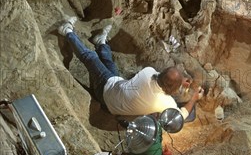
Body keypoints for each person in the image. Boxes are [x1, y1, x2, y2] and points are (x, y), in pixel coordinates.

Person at [57, 17, 204, 121]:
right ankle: (88, 38)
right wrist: (193, 98)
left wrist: (178, 81)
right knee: (100, 61)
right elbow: (181, 115)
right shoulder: (164, 103)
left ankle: (76, 35)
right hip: (109, 98)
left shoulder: (148, 73)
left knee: (96, 60)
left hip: (109, 90)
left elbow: (163, 78)